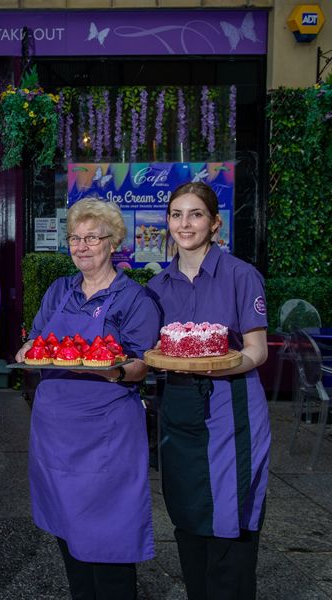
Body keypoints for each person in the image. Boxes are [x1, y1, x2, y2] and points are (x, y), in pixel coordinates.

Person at [15, 197, 160, 600]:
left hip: (106, 437)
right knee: (68, 531)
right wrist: (28, 350)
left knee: (109, 538)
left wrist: (110, 368)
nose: (81, 246)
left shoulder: (135, 299)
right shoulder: (60, 290)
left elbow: (141, 366)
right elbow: (37, 340)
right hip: (55, 433)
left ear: (114, 243)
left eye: (92, 238)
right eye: (74, 238)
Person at [147, 182, 269, 600]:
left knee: (230, 517)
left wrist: (223, 364)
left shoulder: (240, 275)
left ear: (215, 223)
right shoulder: (158, 286)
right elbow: (152, 352)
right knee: (187, 513)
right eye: (176, 214)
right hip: (178, 410)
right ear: (167, 222)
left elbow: (257, 350)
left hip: (230, 408)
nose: (185, 223)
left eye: (196, 214)